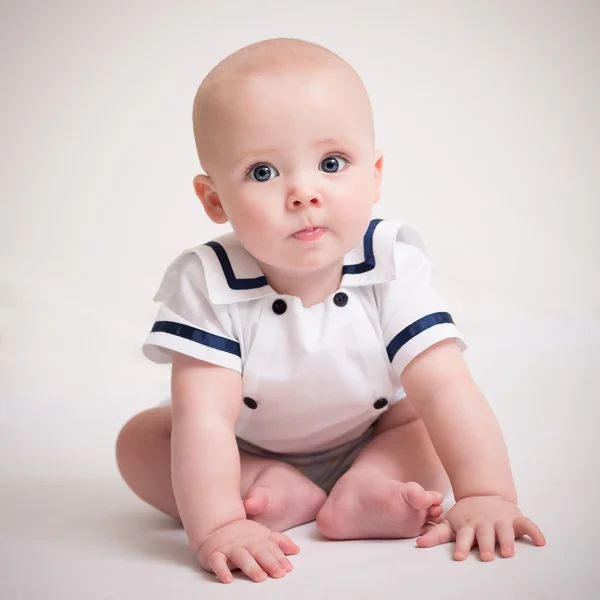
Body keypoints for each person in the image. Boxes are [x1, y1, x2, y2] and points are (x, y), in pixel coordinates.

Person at [115, 37, 546, 584]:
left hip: (368, 431)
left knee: (424, 420)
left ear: (375, 173)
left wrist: (487, 493)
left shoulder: (391, 263)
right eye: (263, 173)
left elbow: (446, 388)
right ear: (214, 200)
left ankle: (369, 486)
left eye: (332, 162)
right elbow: (205, 418)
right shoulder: (209, 282)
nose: (303, 193)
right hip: (242, 444)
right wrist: (217, 524)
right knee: (141, 441)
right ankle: (259, 489)